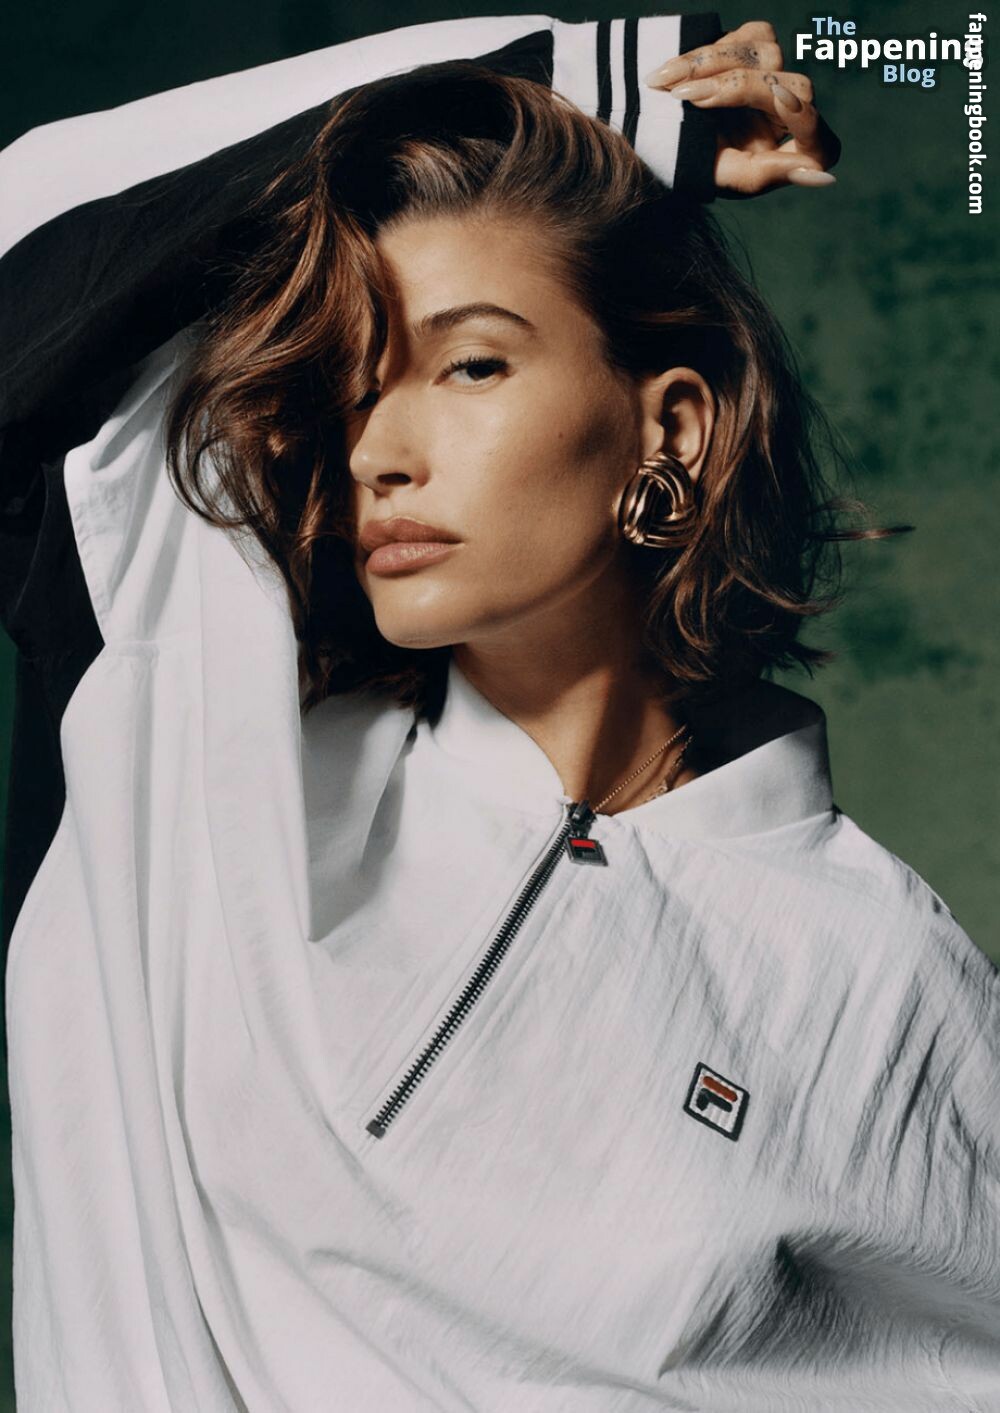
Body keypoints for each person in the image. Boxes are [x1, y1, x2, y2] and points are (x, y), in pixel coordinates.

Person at [1, 13, 997, 1413]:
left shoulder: (877, 970)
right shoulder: (194, 739)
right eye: (356, 384)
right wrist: (593, 84)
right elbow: (25, 220)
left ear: (668, 429)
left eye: (469, 365)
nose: (379, 449)